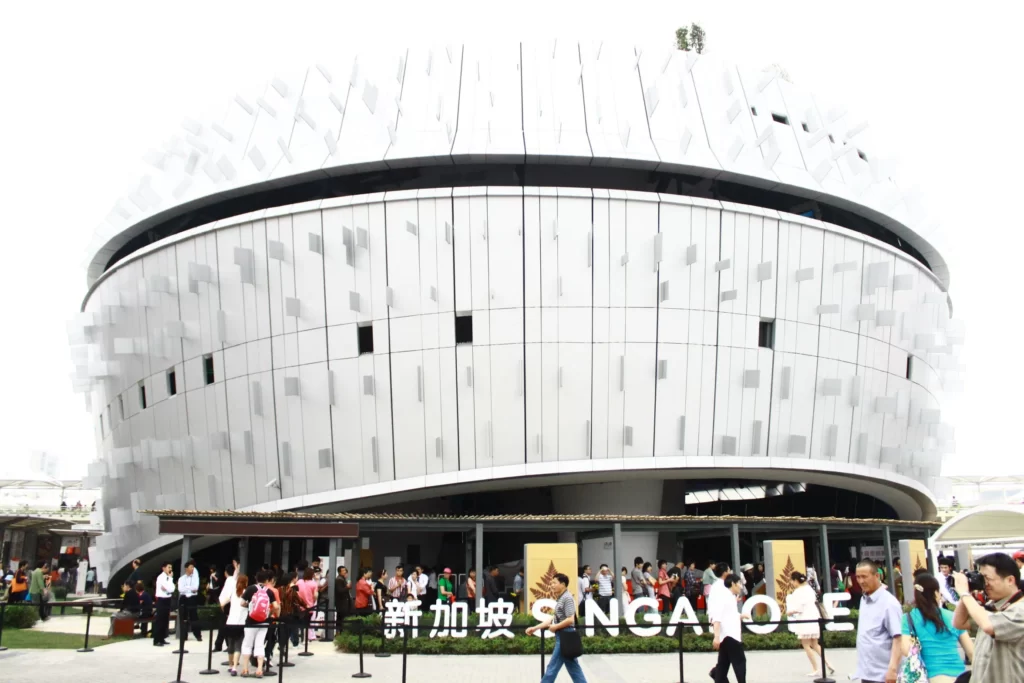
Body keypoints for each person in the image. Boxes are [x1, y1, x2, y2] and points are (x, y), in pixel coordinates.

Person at [952, 552, 1024, 683]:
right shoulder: (992, 607)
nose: (984, 584)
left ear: (1010, 580)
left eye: (987, 578)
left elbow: (988, 625)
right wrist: (967, 591)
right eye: (981, 578)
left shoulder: (1020, 609)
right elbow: (959, 623)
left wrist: (963, 593)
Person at [901, 573, 973, 683]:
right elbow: (971, 652)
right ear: (936, 593)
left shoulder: (908, 618)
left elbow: (906, 650)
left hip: (932, 676)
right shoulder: (953, 616)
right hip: (960, 676)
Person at [526, 572, 587, 683]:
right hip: (564, 635)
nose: (552, 585)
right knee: (574, 669)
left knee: (552, 668)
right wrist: (535, 628)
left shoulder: (567, 598)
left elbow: (570, 619)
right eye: (551, 583)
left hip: (565, 635)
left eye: (554, 583)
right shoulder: (561, 598)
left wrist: (555, 627)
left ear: (563, 584)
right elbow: (553, 619)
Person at [853, 559, 902, 683]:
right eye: (858, 577)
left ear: (877, 576)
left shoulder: (889, 603)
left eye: (864, 576)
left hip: (884, 674)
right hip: (867, 672)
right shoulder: (864, 599)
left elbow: (898, 638)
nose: (861, 581)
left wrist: (893, 669)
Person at [785, 571, 833, 677]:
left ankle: (815, 668)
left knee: (806, 645)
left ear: (795, 581)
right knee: (815, 644)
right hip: (814, 618)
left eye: (792, 581)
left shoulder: (798, 592)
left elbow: (799, 608)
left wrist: (790, 612)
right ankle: (828, 664)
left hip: (804, 619)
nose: (792, 583)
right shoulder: (809, 589)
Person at [709, 574, 749, 683]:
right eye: (739, 583)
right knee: (740, 662)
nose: (741, 586)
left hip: (727, 636)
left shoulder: (730, 596)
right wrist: (716, 637)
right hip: (730, 636)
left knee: (723, 665)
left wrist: (741, 616)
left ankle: (717, 676)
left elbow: (729, 615)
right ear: (733, 583)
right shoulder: (724, 597)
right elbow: (717, 618)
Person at [241, 570, 279, 678]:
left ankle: (245, 669)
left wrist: (249, 607)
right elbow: (276, 607)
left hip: (250, 621)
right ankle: (259, 669)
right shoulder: (269, 592)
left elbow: (242, 603)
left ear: (256, 579)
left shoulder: (250, 589)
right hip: (264, 622)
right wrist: (269, 613)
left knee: (247, 644)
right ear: (267, 580)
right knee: (260, 644)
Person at [220, 574, 248, 676]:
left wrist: (224, 610)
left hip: (230, 622)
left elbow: (223, 603)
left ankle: (230, 665)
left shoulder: (233, 592)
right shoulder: (246, 593)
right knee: (238, 646)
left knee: (230, 646)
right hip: (241, 623)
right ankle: (235, 667)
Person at [177, 559, 203, 641]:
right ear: (186, 568)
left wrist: (187, 588)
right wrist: (189, 588)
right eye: (191, 567)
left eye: (193, 567)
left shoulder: (195, 577)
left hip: (192, 598)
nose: (192, 569)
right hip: (184, 597)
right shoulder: (181, 579)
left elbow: (195, 588)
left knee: (194, 617)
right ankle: (183, 635)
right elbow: (180, 589)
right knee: (183, 617)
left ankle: (198, 635)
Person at [214, 565, 237, 653]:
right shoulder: (232, 580)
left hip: (226, 605)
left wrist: (222, 605)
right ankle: (222, 645)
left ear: (226, 572)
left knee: (224, 626)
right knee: (224, 626)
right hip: (227, 605)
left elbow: (228, 595)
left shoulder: (230, 580)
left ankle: (223, 645)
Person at [153, 562, 175, 646]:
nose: (170, 569)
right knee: (160, 620)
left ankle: (162, 638)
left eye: (171, 567)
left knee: (165, 620)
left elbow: (172, 589)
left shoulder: (169, 578)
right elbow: (167, 588)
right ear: (164, 568)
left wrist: (170, 579)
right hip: (161, 600)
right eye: (169, 567)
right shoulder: (161, 577)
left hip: (167, 599)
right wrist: (169, 580)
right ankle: (156, 640)